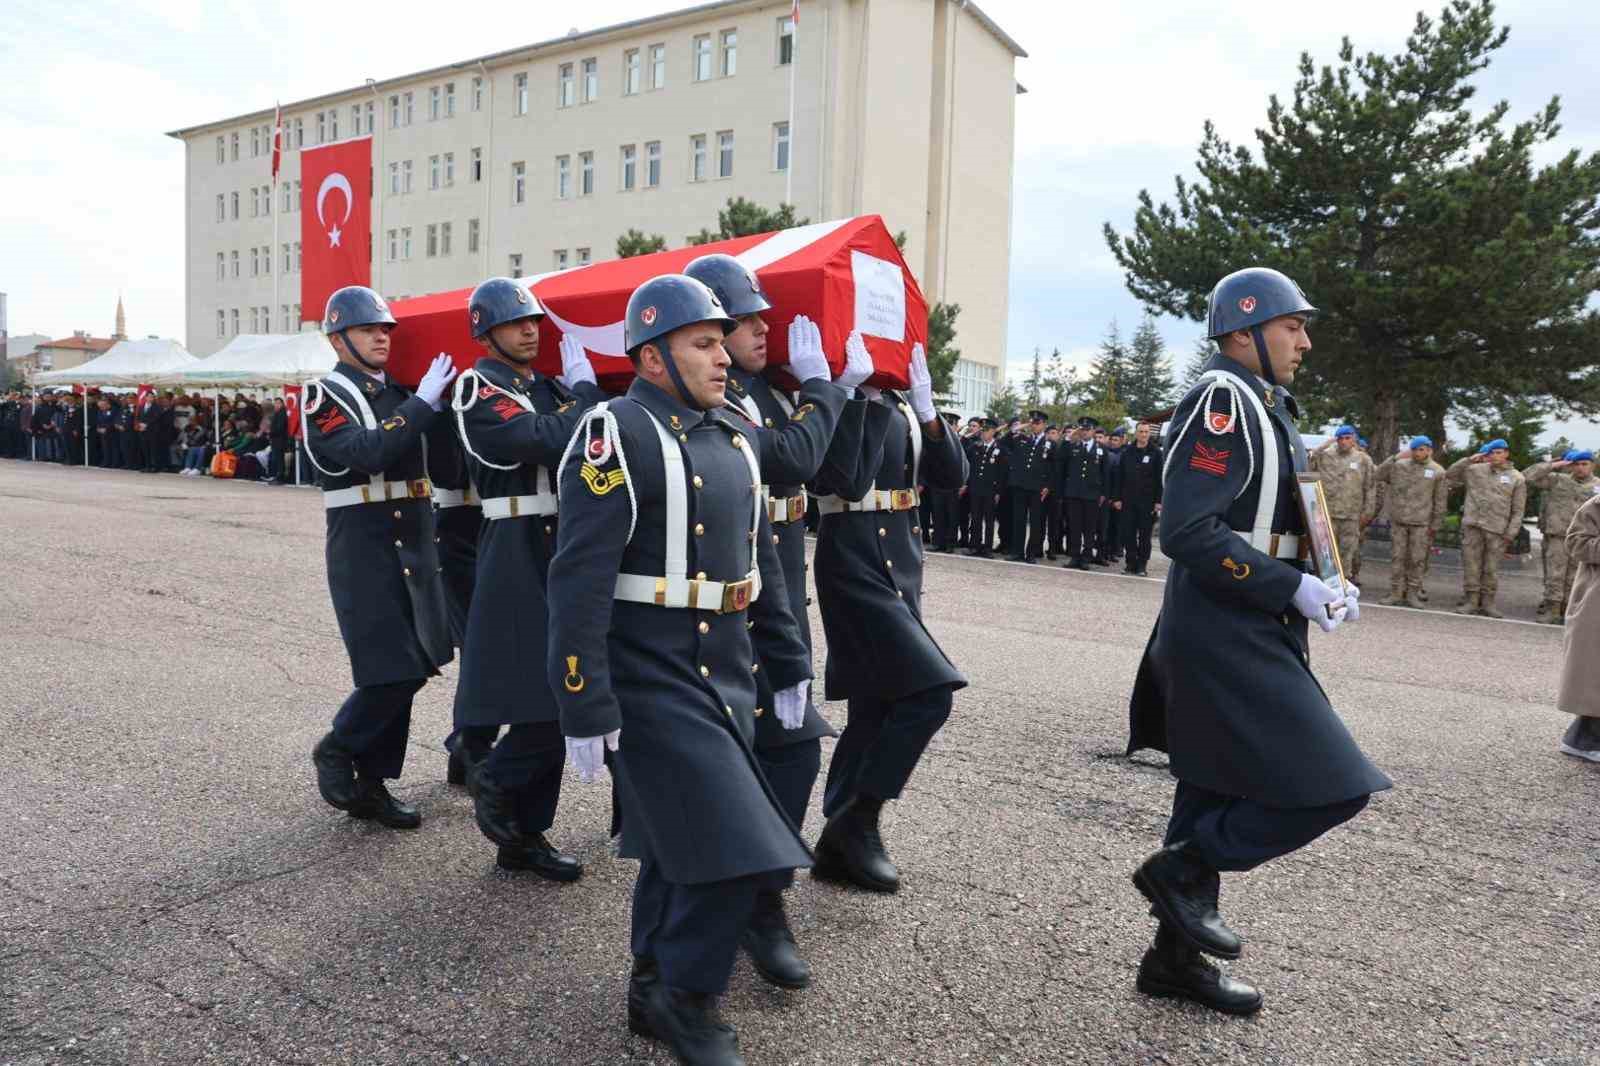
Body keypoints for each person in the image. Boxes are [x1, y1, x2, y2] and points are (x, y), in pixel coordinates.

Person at [548, 273, 812, 1066]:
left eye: (721, 340)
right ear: (653, 355)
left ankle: (650, 986)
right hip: (648, 670)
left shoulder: (735, 434)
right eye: (703, 342)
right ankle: (687, 998)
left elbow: (760, 558)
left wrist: (790, 660)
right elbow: (578, 579)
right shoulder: (615, 431)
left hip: (726, 668)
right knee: (740, 846)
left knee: (677, 845)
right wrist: (583, 703)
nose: (724, 355)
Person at [1127, 267, 1388, 1015]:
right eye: (1291, 326)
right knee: (1334, 784)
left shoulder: (1264, 399)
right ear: (1243, 331)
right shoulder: (1221, 398)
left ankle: (1174, 960)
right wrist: (1287, 586)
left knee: (1213, 783)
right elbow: (1187, 530)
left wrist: (1323, 580)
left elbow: (1270, 515)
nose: (1304, 341)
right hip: (1226, 625)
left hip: (1247, 616)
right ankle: (1183, 870)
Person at [684, 251, 866, 990]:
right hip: (733, 605)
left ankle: (760, 894)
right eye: (743, 321)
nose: (763, 330)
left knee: (791, 748)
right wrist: (825, 389)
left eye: (762, 317)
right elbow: (789, 461)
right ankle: (736, 903)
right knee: (746, 756)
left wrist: (855, 395)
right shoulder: (719, 400)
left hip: (780, 591)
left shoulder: (766, 393)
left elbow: (836, 475)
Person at [448, 277, 607, 876]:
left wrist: (577, 395)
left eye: (534, 320)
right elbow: (539, 438)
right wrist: (586, 393)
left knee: (564, 689)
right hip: (515, 542)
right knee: (542, 692)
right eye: (516, 322)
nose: (530, 329)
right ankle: (498, 782)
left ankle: (524, 831)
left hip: (561, 539)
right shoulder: (478, 387)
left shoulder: (548, 387)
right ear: (485, 331)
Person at [810, 342, 969, 895]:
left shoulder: (899, 401)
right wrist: (856, 396)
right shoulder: (836, 394)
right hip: (851, 554)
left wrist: (927, 413)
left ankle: (839, 836)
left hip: (901, 555)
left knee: (877, 704)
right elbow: (842, 481)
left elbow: (952, 476)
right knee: (929, 693)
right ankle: (859, 820)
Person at [304, 285, 458, 830]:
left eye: (386, 330)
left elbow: (437, 464)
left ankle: (371, 781)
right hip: (363, 542)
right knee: (389, 667)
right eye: (369, 329)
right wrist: (421, 406)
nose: (380, 338)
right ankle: (338, 748)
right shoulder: (325, 395)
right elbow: (363, 452)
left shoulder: (402, 393)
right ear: (337, 338)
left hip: (413, 537)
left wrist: (441, 410)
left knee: (416, 662)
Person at [1445, 440, 1527, 618]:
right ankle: (1471, 601)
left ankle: (1488, 603)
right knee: (1471, 565)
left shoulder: (1517, 478)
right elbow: (1450, 474)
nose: (1495, 456)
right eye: (1491, 453)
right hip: (1473, 525)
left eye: (1498, 452)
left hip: (1497, 529)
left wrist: (1511, 533)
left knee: (1491, 568)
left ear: (1506, 453)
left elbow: (1518, 510)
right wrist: (1469, 459)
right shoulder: (1475, 470)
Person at [1523, 451, 1599, 624]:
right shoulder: (1557, 480)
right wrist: (1553, 465)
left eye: (1584, 464)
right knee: (1555, 574)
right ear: (1570, 466)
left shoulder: (1598, 486)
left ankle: (1569, 611)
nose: (1580, 468)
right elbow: (1527, 477)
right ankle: (1553, 610)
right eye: (1576, 464)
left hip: (1584, 540)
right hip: (1559, 535)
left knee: (1577, 577)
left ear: (1592, 465)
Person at [1372, 436, 1447, 607]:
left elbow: (1440, 501)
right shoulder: (1399, 466)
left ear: (1429, 450)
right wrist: (1396, 457)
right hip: (1399, 521)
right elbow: (1378, 474)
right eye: (1414, 449)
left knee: (1417, 560)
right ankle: (1396, 592)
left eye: (1421, 449)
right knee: (1397, 558)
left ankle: (1413, 593)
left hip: (1421, 523)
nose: (1417, 453)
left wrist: (1435, 525)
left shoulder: (1438, 471)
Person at [1557, 494, 1600, 759]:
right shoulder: (1596, 506)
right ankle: (1583, 741)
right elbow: (1575, 543)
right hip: (1596, 600)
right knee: (1594, 673)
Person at [1309, 427, 1377, 584]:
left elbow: (1370, 487)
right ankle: (1324, 586)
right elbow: (1310, 460)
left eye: (1347, 438)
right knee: (1325, 554)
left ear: (1354, 439)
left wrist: (1368, 513)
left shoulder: (1363, 460)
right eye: (1340, 438)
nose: (1344, 442)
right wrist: (1325, 444)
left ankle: (1343, 586)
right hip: (1328, 514)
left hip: (1351, 516)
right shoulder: (1325, 456)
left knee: (1347, 554)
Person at [1058, 416, 1108, 570]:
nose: (1085, 432)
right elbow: (1060, 458)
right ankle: (1074, 556)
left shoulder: (1101, 449)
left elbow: (1105, 474)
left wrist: (1103, 494)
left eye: (1088, 429)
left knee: (1089, 528)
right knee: (1074, 526)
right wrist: (1069, 437)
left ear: (1093, 431)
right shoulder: (1072, 446)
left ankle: (1086, 557)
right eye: (1083, 429)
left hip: (1092, 495)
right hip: (1074, 493)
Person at [1115, 420, 1164, 575]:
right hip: (1128, 500)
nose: (1143, 434)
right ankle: (1130, 563)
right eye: (1141, 431)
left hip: (1147, 502)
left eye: (1146, 432)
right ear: (1136, 433)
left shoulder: (1156, 453)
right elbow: (1119, 477)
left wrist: (1158, 501)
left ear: (1149, 434)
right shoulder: (1127, 452)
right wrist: (1117, 498)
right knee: (1127, 533)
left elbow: (1160, 479)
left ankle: (1142, 565)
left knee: (1144, 535)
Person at [1002, 411, 1051, 562]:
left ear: (1044, 425)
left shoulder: (1049, 443)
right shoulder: (1022, 439)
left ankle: (1031, 553)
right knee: (1019, 520)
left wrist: (1048, 485)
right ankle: (1017, 552)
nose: (1034, 426)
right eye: (1033, 423)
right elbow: (1004, 441)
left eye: (1038, 423)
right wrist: (1023, 425)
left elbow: (1053, 468)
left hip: (1037, 488)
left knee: (1036, 522)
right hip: (1020, 485)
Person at [965, 418, 1005, 557]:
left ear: (994, 431)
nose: (984, 433)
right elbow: (965, 452)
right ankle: (974, 546)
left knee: (989, 520)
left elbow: (1002, 472)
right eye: (982, 430)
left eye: (987, 430)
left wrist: (998, 491)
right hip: (976, 488)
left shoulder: (1000, 448)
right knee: (975, 518)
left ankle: (987, 548)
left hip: (990, 490)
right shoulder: (976, 446)